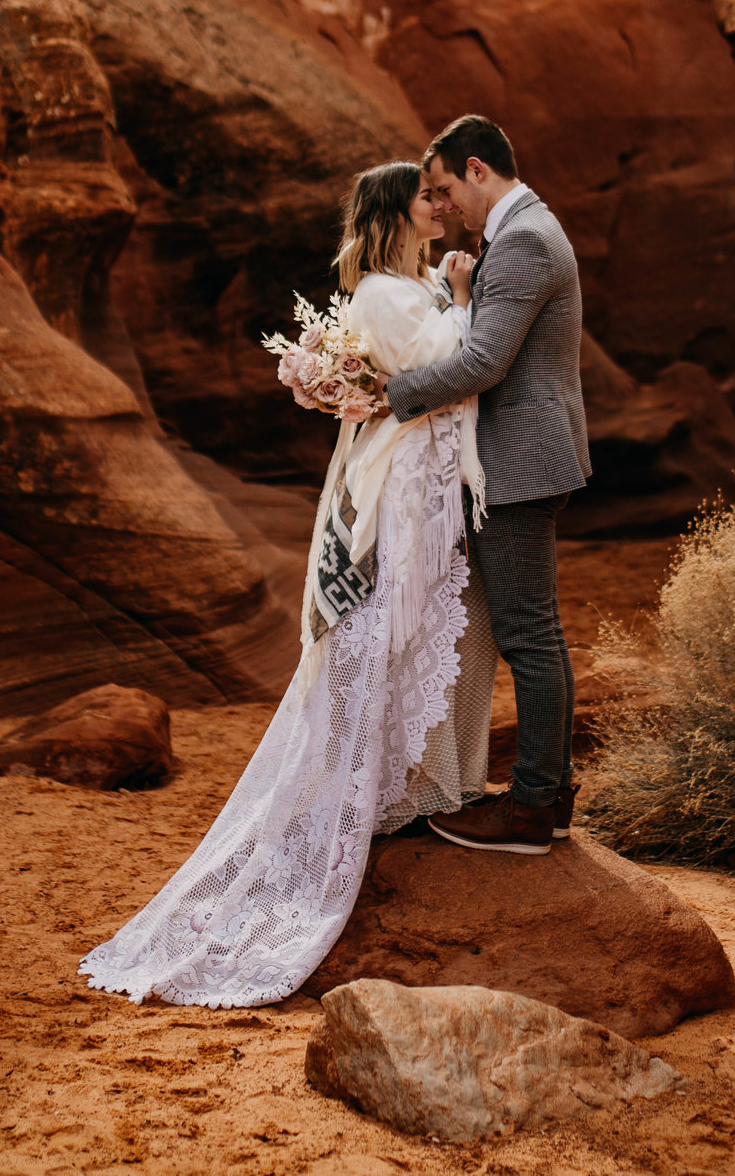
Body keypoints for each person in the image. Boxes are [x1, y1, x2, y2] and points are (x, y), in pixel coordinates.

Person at [79, 161, 497, 1007]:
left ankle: (414, 786)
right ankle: (358, 809)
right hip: (405, 477)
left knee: (421, 636)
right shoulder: (386, 289)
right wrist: (461, 296)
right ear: (392, 213)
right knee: (387, 629)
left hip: (431, 472)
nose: (440, 204)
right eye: (427, 196)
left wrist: (447, 288)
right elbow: (435, 366)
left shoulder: (410, 279)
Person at [378, 115, 589, 855]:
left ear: (476, 170)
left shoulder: (525, 236)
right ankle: (550, 795)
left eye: (443, 189)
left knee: (528, 635)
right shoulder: (521, 230)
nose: (443, 208)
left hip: (521, 462)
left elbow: (483, 363)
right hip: (523, 456)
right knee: (534, 632)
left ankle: (531, 808)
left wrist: (393, 392)